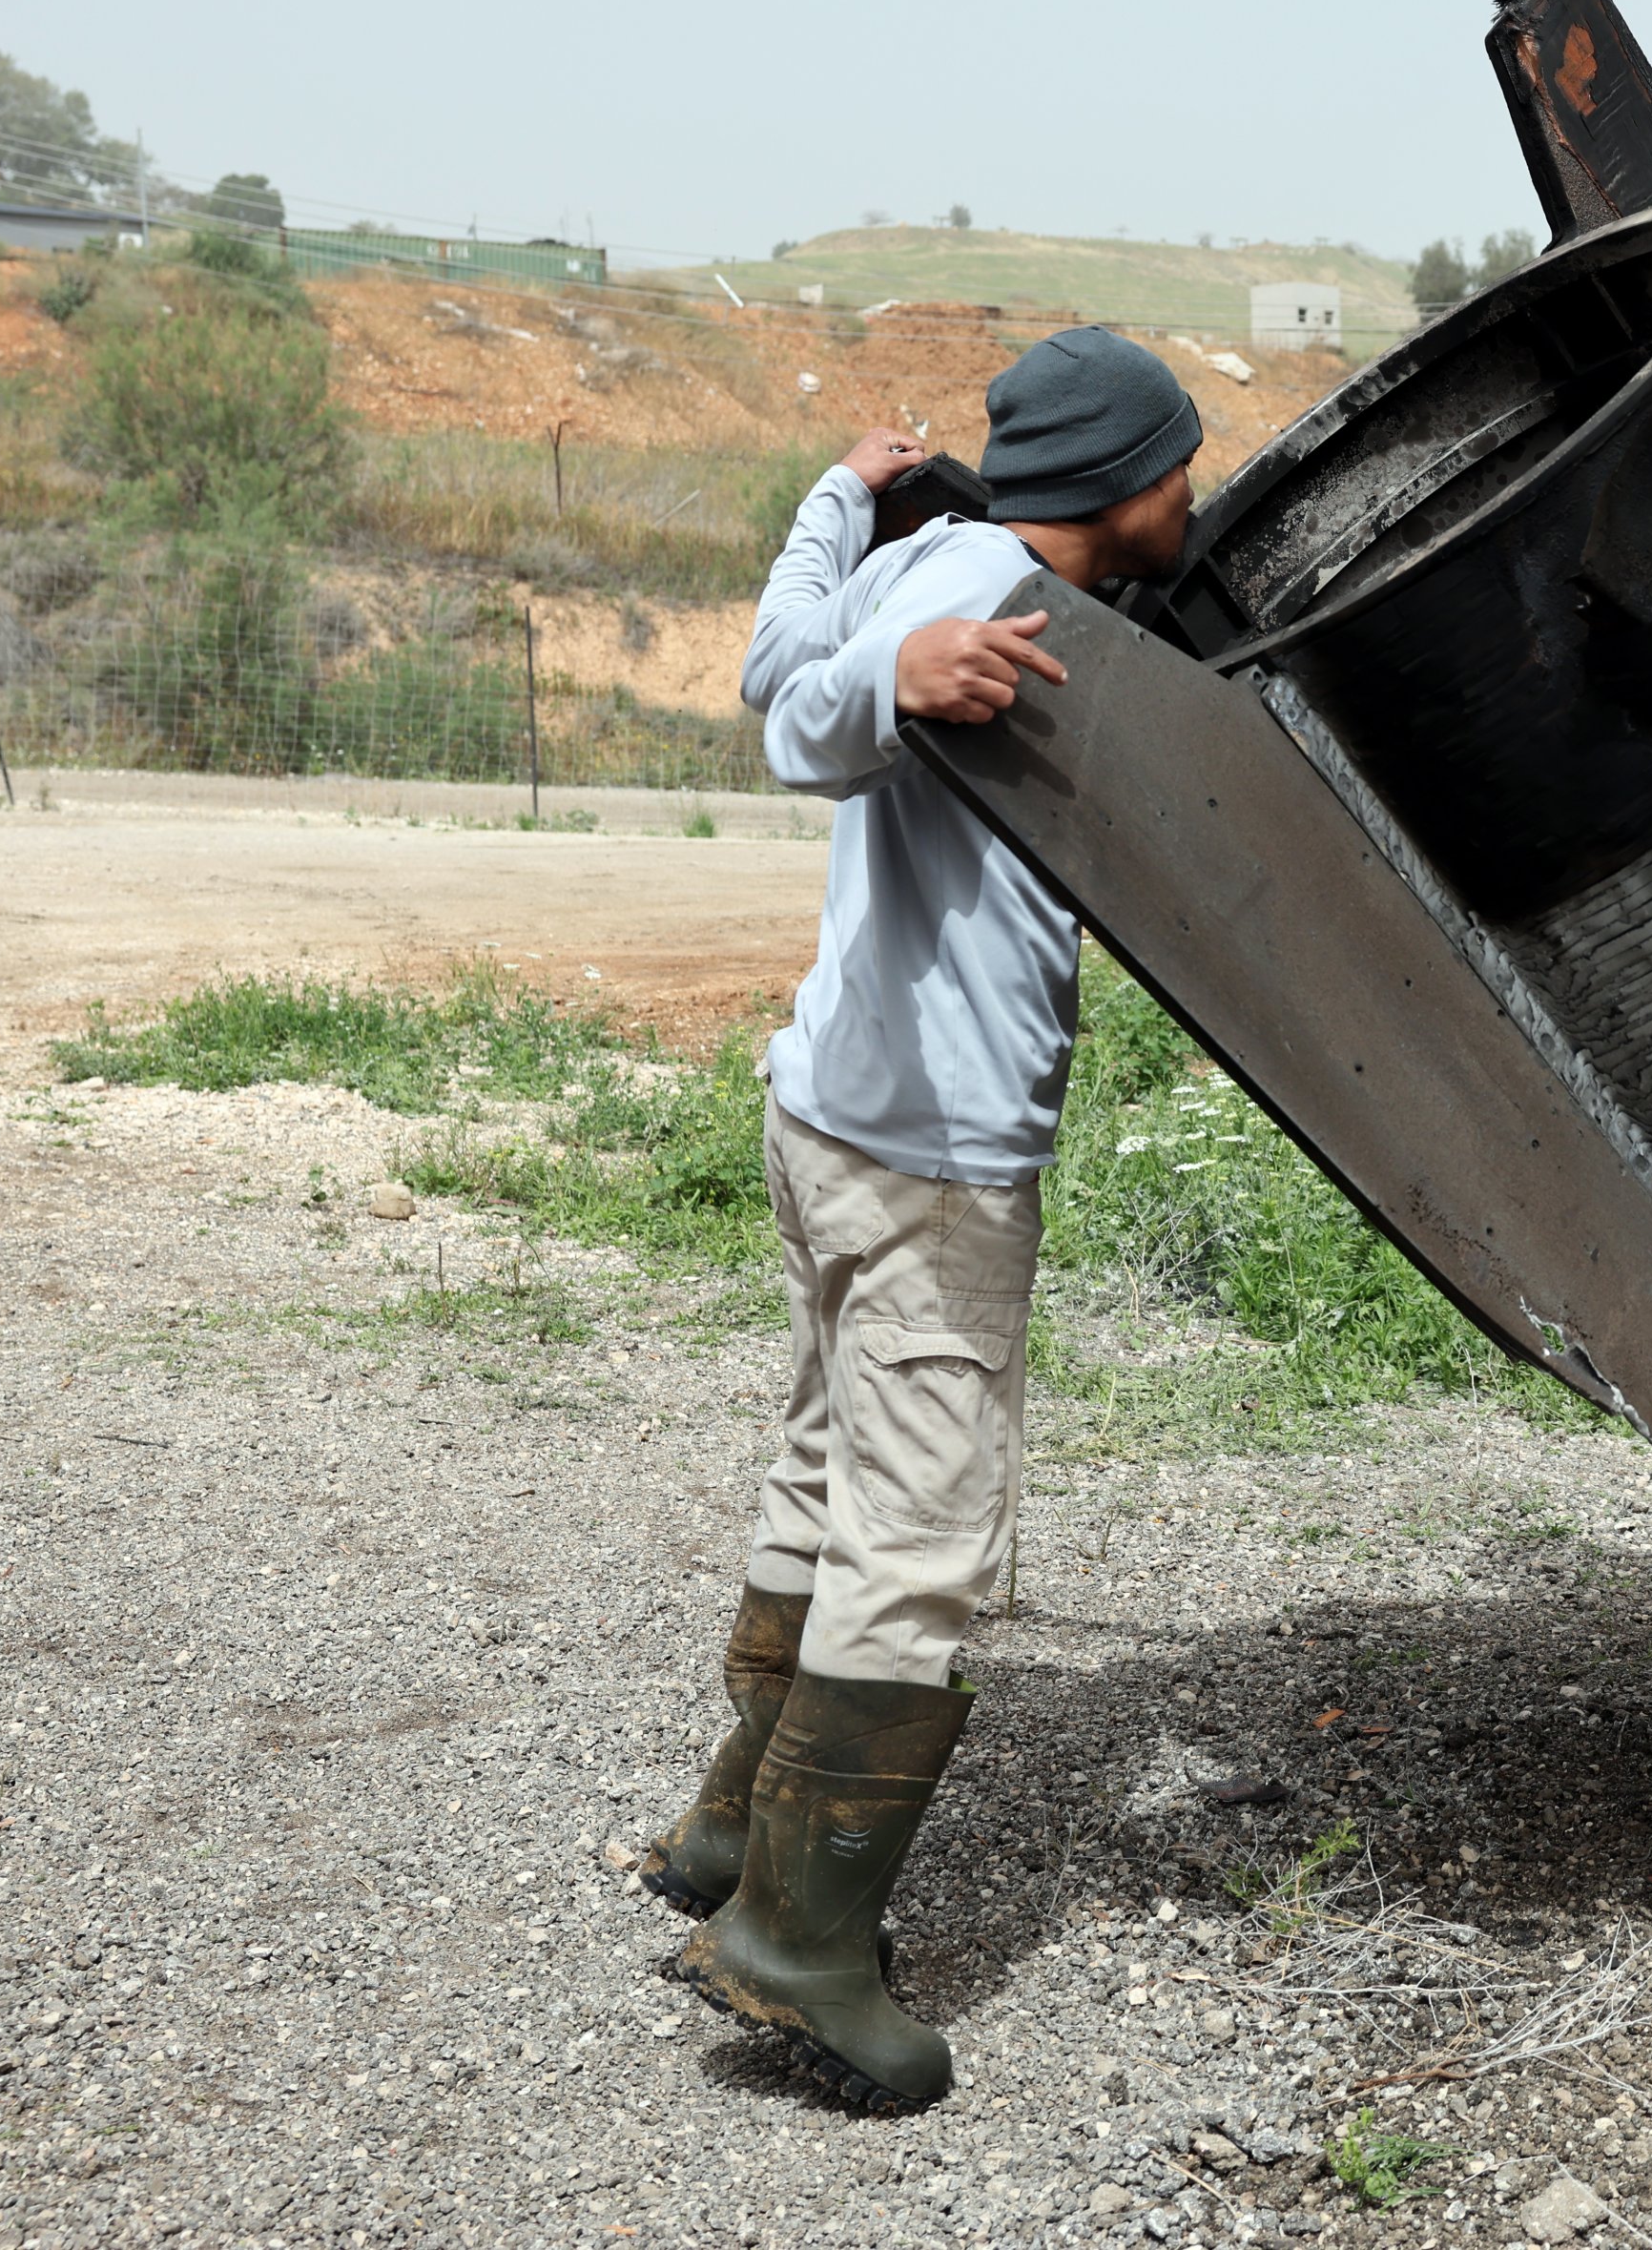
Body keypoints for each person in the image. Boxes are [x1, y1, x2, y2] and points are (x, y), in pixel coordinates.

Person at [643, 327, 1203, 2111]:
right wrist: (904, 679)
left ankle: (733, 1822)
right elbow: (808, 714)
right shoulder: (985, 611)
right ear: (1123, 487)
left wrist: (839, 493)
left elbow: (765, 652)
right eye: (1183, 464)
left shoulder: (934, 553)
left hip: (824, 1115)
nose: (1199, 490)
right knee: (925, 1529)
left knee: (823, 1466)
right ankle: (799, 1943)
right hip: (931, 1150)